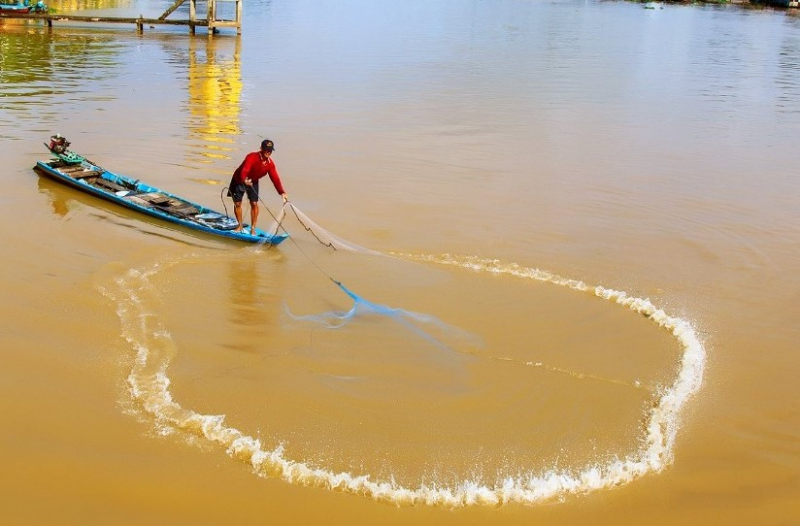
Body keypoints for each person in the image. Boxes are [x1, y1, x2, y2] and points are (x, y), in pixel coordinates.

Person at [227, 139, 289, 234]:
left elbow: (275, 178)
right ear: (261, 148)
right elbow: (245, 170)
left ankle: (253, 228)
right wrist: (244, 180)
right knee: (238, 203)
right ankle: (240, 225)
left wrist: (282, 192)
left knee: (254, 203)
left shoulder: (270, 164)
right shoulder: (252, 157)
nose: (268, 152)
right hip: (239, 179)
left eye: (270, 150)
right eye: (266, 150)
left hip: (253, 181)